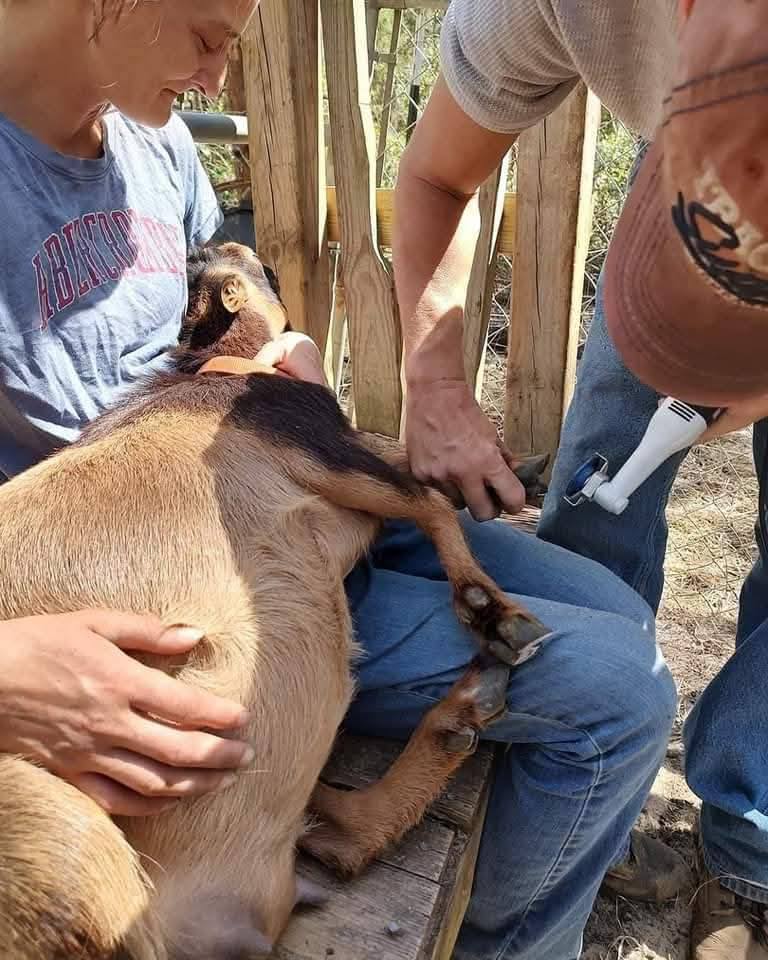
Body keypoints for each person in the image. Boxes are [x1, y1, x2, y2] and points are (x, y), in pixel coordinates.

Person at [0, 2, 681, 959]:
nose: (213, 81)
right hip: (161, 595)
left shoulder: (151, 144)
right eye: (207, 36)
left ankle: (531, 861)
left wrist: (290, 359)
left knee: (623, 613)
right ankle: (512, 943)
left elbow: (224, 324)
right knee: (622, 697)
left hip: (276, 495)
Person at [392, 0, 768, 956]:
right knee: (602, 486)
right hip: (697, 150)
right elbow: (438, 170)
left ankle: (747, 841)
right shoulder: (560, 7)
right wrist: (432, 382)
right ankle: (580, 781)